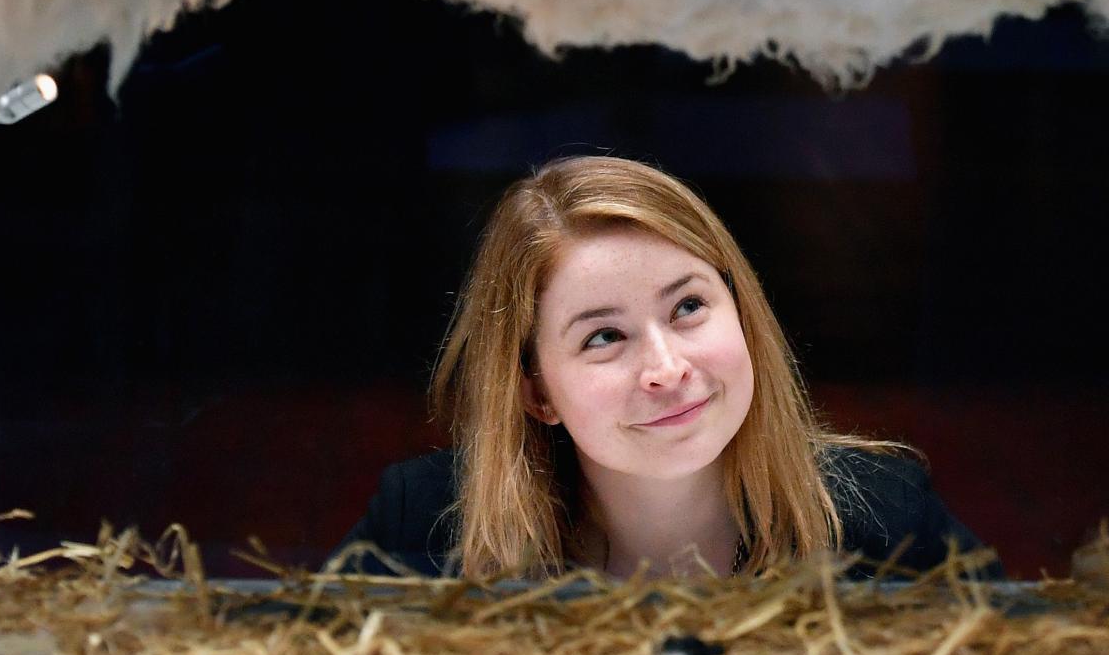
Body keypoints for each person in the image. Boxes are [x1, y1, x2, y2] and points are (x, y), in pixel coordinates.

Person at [343, 155, 995, 582]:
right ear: (536, 389)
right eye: (604, 335)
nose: (666, 366)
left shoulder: (888, 518)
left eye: (688, 305)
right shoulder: (421, 526)